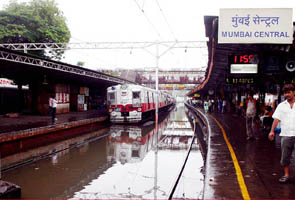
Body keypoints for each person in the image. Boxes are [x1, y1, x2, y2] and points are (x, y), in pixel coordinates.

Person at [269, 84, 295, 183]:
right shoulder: (281, 105)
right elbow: (276, 119)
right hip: (286, 134)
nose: (287, 94)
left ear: (294, 92)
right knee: (285, 157)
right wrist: (272, 131)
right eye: (285, 93)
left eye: (289, 92)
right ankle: (286, 175)